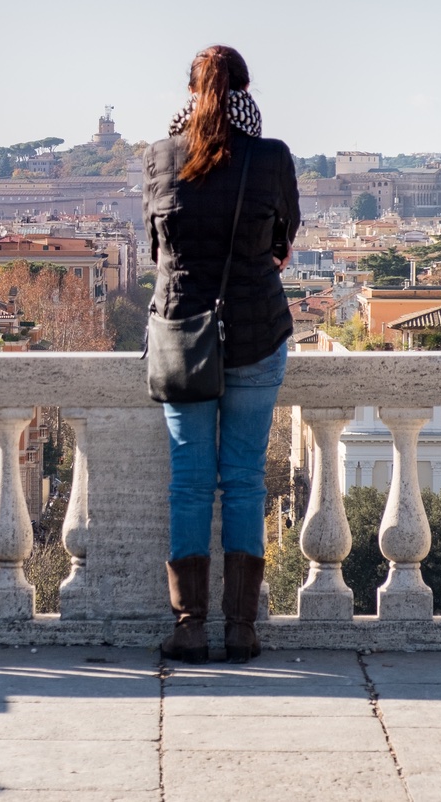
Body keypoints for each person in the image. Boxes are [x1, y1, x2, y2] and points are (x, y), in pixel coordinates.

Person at [143, 45, 300, 664]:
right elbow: (282, 242)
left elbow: (159, 251)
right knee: (242, 479)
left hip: (184, 336)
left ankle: (188, 626)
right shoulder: (271, 158)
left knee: (188, 483)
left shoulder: (160, 157)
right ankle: (241, 628)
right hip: (255, 333)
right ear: (245, 90)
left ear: (190, 92)